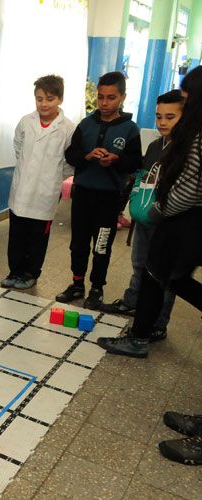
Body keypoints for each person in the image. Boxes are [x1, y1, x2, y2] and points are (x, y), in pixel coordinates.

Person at [97, 65, 202, 466]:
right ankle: (141, 329)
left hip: (175, 221)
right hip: (167, 221)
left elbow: (186, 189)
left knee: (167, 274)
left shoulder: (193, 140)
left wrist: (156, 210)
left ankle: (148, 329)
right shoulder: (179, 140)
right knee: (156, 271)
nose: (176, 115)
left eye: (185, 105)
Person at [97, 90, 184, 342]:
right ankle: (132, 300)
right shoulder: (157, 145)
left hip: (167, 221)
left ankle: (158, 322)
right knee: (139, 263)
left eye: (170, 117)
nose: (163, 122)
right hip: (145, 215)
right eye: (159, 116)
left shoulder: (185, 150)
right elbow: (145, 175)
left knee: (162, 274)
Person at [56, 71, 142, 309]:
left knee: (102, 244)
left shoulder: (130, 129)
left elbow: (136, 162)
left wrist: (115, 159)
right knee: (79, 242)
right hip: (83, 193)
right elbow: (71, 154)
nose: (105, 103)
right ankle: (76, 284)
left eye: (111, 98)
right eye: (101, 97)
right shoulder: (86, 124)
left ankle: (97, 288)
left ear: (122, 97)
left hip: (109, 198)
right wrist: (87, 156)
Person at [1, 75, 75, 290]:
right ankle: (14, 271)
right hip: (21, 191)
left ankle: (30, 273)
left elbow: (69, 164)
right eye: (39, 99)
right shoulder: (26, 121)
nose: (43, 104)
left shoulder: (67, 128)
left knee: (37, 239)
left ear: (60, 99)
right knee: (16, 236)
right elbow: (18, 146)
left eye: (49, 99)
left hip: (46, 194)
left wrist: (51, 178)